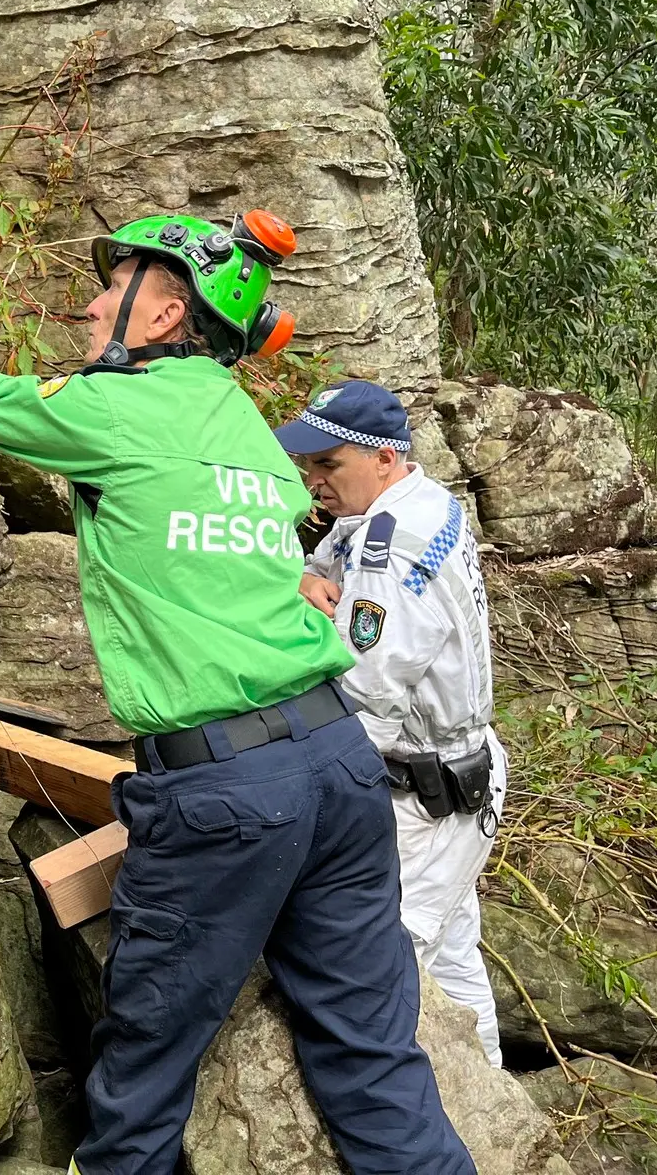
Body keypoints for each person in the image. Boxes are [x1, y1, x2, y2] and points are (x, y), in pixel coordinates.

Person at [0, 218, 474, 1174]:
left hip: (226, 794)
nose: (91, 300)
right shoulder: (241, 420)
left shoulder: (110, 408)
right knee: (373, 1057)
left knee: (143, 1076)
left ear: (163, 313)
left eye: (117, 282)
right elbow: (277, 540)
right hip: (339, 768)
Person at [278, 380, 506, 1065]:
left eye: (328, 463)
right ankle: (496, 1104)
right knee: (456, 956)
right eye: (308, 464)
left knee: (387, 964)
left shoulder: (391, 546)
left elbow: (365, 696)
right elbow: (331, 559)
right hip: (456, 775)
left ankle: (432, 1123)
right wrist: (300, 576)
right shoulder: (418, 499)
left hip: (427, 797)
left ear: (383, 457)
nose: (313, 479)